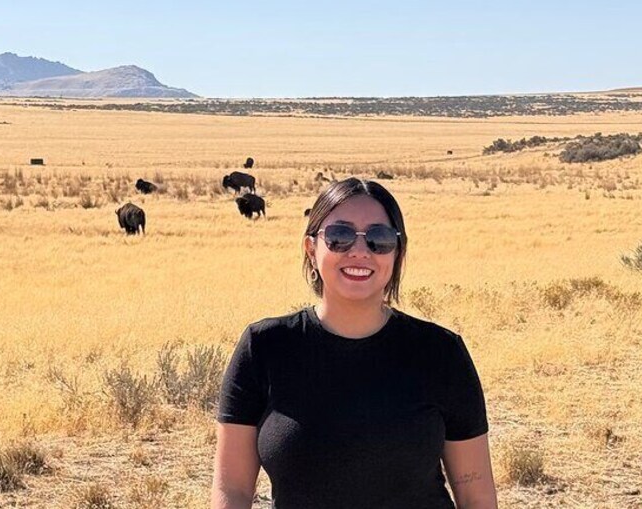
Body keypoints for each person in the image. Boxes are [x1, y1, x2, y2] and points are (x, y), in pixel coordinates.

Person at [211, 177, 496, 509]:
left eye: (379, 238)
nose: (360, 251)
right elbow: (232, 488)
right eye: (339, 237)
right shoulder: (264, 347)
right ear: (311, 248)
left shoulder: (441, 353)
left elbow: (476, 495)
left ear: (398, 253)